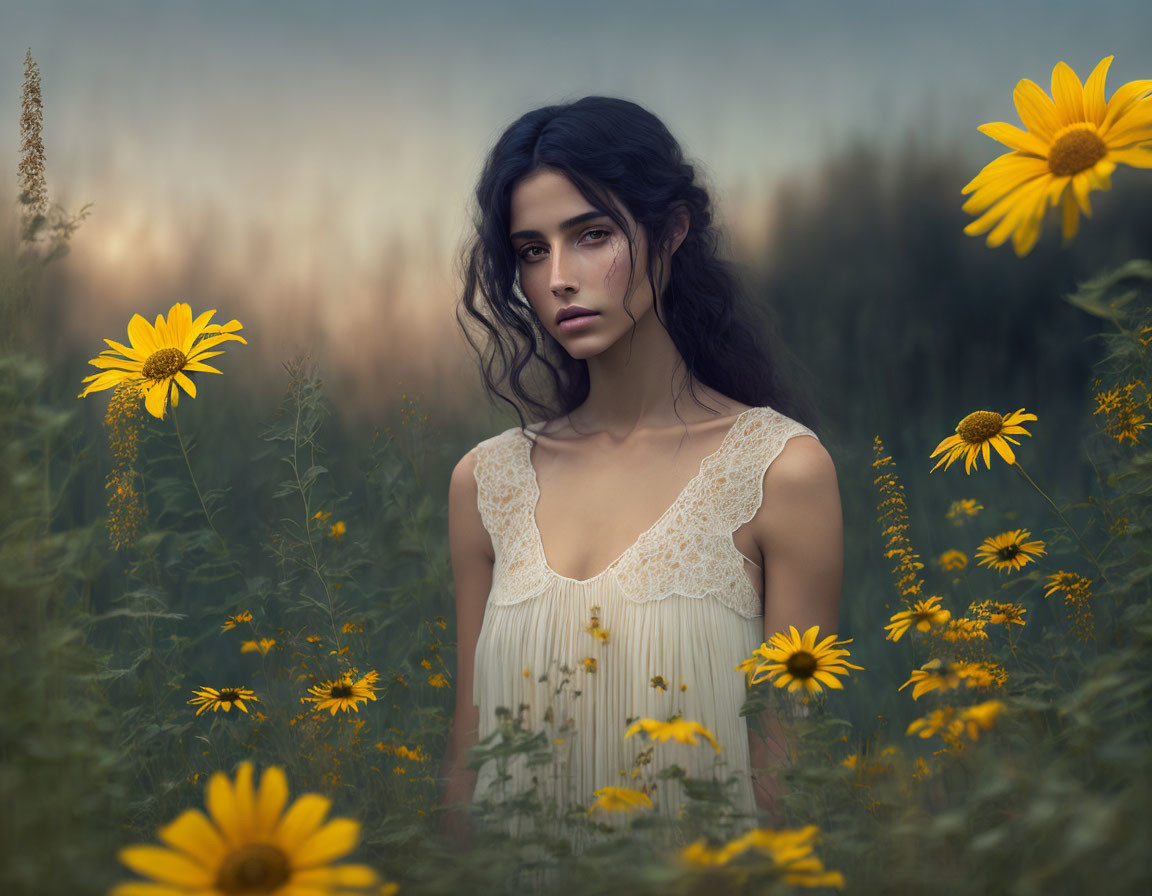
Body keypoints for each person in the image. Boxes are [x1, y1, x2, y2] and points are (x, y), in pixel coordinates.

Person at [437, 96, 843, 858]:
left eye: (591, 235)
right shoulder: (485, 482)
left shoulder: (779, 469)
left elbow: (793, 775)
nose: (558, 278)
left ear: (672, 231)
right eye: (531, 250)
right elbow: (467, 760)